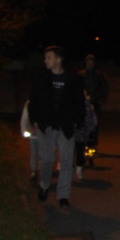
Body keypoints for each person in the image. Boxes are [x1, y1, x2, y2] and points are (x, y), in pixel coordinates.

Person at [28, 45, 85, 209]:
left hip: (66, 126)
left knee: (66, 162)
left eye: (49, 57)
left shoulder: (72, 79)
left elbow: (79, 101)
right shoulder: (41, 79)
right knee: (46, 160)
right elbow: (34, 100)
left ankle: (63, 195)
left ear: (58, 59)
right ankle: (44, 185)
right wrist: (35, 119)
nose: (45, 61)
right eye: (45, 58)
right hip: (46, 125)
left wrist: (77, 120)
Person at [79, 54, 108, 165]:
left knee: (93, 131)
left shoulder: (98, 76)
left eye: (92, 62)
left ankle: (90, 155)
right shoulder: (81, 75)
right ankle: (83, 154)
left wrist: (100, 100)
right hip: (82, 106)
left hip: (94, 106)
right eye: (88, 62)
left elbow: (104, 89)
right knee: (83, 131)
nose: (90, 64)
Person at [73, 90, 98, 182]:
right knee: (72, 152)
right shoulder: (72, 103)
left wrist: (89, 129)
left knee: (82, 151)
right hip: (72, 133)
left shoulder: (87, 105)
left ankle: (88, 161)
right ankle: (71, 170)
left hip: (83, 133)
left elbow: (92, 119)